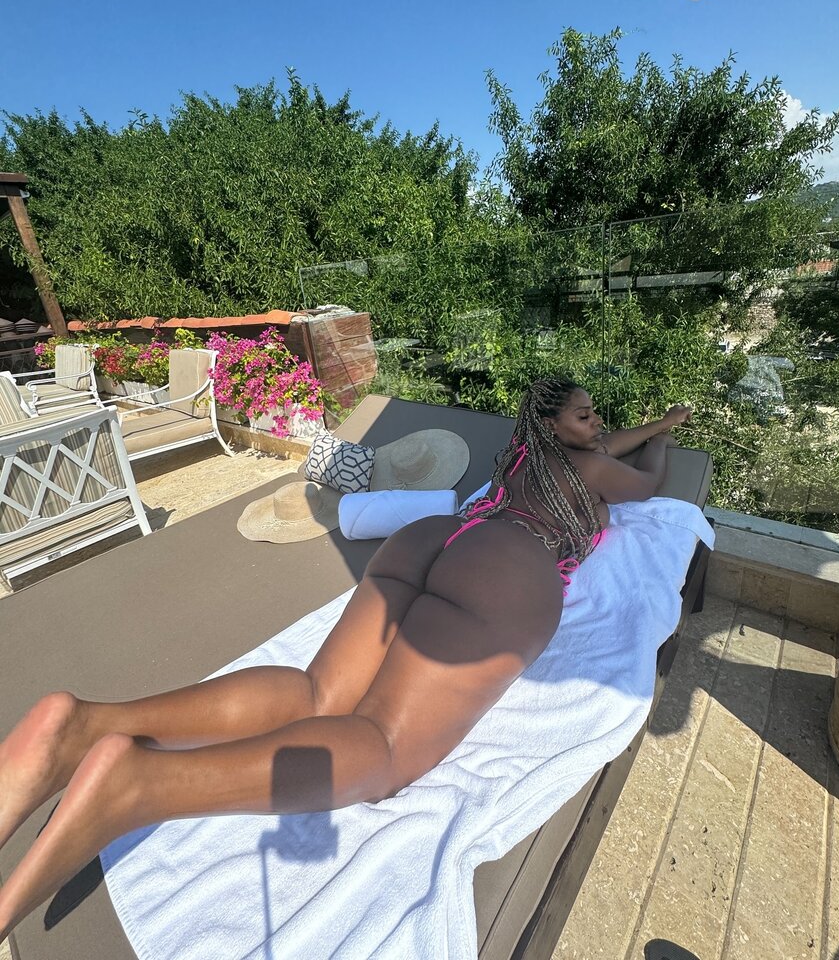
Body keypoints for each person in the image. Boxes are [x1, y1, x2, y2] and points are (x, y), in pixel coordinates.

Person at [0, 377, 692, 941]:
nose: (598, 424)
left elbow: (606, 443)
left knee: (317, 692)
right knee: (383, 746)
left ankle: (85, 725)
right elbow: (646, 482)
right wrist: (663, 439)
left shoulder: (523, 455)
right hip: (508, 567)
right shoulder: (591, 467)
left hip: (435, 538)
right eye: (585, 414)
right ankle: (140, 785)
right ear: (553, 426)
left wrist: (647, 424)